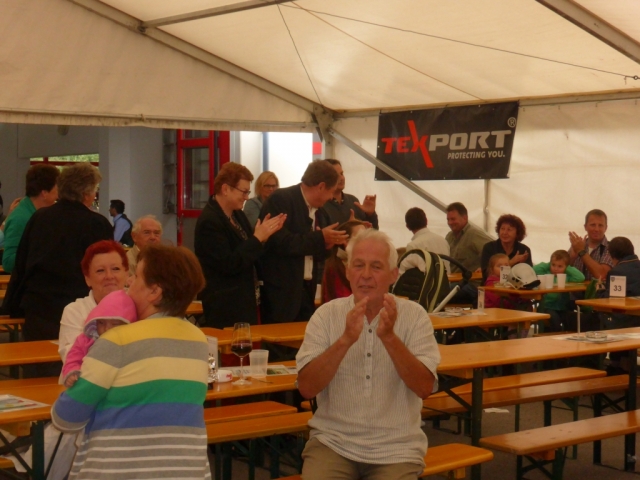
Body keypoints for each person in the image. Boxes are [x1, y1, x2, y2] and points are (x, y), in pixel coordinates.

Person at [51, 244, 211, 480]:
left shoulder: (117, 339)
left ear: (153, 292)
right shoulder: (198, 339)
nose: (128, 282)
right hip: (188, 472)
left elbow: (67, 417)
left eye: (136, 277)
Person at [297, 229, 440, 480]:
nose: (365, 275)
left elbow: (424, 387)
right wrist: (345, 340)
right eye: (358, 265)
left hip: (396, 448)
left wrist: (389, 337)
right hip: (333, 444)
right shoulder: (325, 315)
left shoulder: (415, 316)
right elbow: (306, 388)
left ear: (394, 274)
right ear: (348, 271)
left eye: (376, 267)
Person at [2, 163, 113, 377]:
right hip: (79, 307)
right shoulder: (96, 223)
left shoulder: (39, 217)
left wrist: (14, 304)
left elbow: (22, 264)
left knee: (39, 370)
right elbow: (103, 270)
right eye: (94, 190)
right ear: (86, 194)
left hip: (40, 308)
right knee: (82, 367)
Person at [194, 163, 285, 328]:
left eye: (248, 192)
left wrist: (264, 237)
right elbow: (228, 264)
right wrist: (257, 238)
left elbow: (250, 252)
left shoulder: (237, 215)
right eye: (243, 192)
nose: (246, 197)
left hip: (245, 298)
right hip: (224, 305)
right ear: (225, 189)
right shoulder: (210, 221)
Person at [259, 160, 348, 324]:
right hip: (281, 293)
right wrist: (320, 238)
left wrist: (327, 245)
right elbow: (280, 242)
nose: (331, 198)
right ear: (321, 186)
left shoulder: (320, 212)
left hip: (307, 290)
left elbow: (314, 250)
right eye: (331, 192)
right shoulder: (280, 199)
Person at [58, 240, 130, 364]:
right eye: (100, 271)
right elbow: (73, 360)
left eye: (115, 269)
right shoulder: (74, 311)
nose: (109, 276)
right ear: (88, 279)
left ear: (126, 274)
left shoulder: (139, 306)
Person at [61, 290, 138, 387]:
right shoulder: (85, 341)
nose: (106, 328)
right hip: (89, 384)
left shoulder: (134, 343)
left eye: (115, 324)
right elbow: (72, 359)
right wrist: (72, 372)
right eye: (101, 323)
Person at [2, 164, 59, 273]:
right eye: (56, 189)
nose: (58, 195)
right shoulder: (20, 218)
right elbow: (8, 262)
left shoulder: (38, 213)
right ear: (44, 193)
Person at [533, 250, 585, 331]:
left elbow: (580, 277)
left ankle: (566, 334)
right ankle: (554, 333)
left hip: (563, 307)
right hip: (546, 306)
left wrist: (567, 268)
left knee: (571, 319)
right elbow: (534, 269)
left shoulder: (566, 277)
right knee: (554, 319)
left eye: (560, 266)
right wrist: (548, 265)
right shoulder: (546, 274)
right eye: (553, 265)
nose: (556, 269)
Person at [323, 158, 378, 229]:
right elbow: (323, 235)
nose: (341, 178)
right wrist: (349, 227)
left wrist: (370, 215)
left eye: (341, 174)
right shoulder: (321, 205)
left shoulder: (353, 201)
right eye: (336, 175)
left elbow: (371, 232)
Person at [321, 220, 367, 303]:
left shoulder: (362, 265)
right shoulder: (335, 267)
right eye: (361, 238)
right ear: (345, 241)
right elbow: (343, 302)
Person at [481, 214, 533, 283]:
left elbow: (529, 277)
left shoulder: (523, 250)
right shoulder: (489, 247)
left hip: (517, 288)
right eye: (502, 229)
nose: (505, 233)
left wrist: (522, 266)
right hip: (492, 286)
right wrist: (511, 262)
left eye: (509, 230)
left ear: (517, 233)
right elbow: (486, 274)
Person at [445, 202, 492, 274]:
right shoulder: (449, 236)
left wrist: (484, 268)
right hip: (451, 279)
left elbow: (494, 251)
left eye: (453, 219)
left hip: (470, 280)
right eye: (448, 219)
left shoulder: (474, 234)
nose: (450, 223)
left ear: (465, 218)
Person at [568, 209, 614, 282]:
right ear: (585, 227)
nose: (596, 229)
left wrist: (581, 251)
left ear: (606, 228)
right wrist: (571, 258)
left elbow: (602, 275)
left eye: (600, 225)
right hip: (574, 290)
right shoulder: (577, 245)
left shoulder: (611, 248)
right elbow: (559, 273)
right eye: (593, 225)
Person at [405, 207, 450, 272]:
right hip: (448, 278)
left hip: (426, 279)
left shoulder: (413, 246)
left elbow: (410, 274)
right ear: (426, 221)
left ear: (407, 226)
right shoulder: (443, 241)